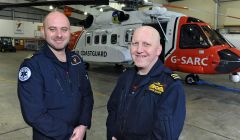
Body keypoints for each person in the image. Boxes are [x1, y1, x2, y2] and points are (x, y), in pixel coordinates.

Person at [17, 11, 94, 140]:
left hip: (79, 134)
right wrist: (70, 133)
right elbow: (34, 114)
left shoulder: (77, 60)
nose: (59, 35)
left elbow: (87, 95)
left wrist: (83, 125)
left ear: (69, 32)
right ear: (43, 31)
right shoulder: (32, 66)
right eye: (52, 29)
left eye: (64, 29)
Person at [106, 26, 186, 140]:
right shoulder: (125, 77)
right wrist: (111, 135)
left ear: (158, 49)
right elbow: (112, 110)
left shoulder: (171, 86)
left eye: (146, 44)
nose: (139, 50)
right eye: (135, 43)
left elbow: (165, 136)